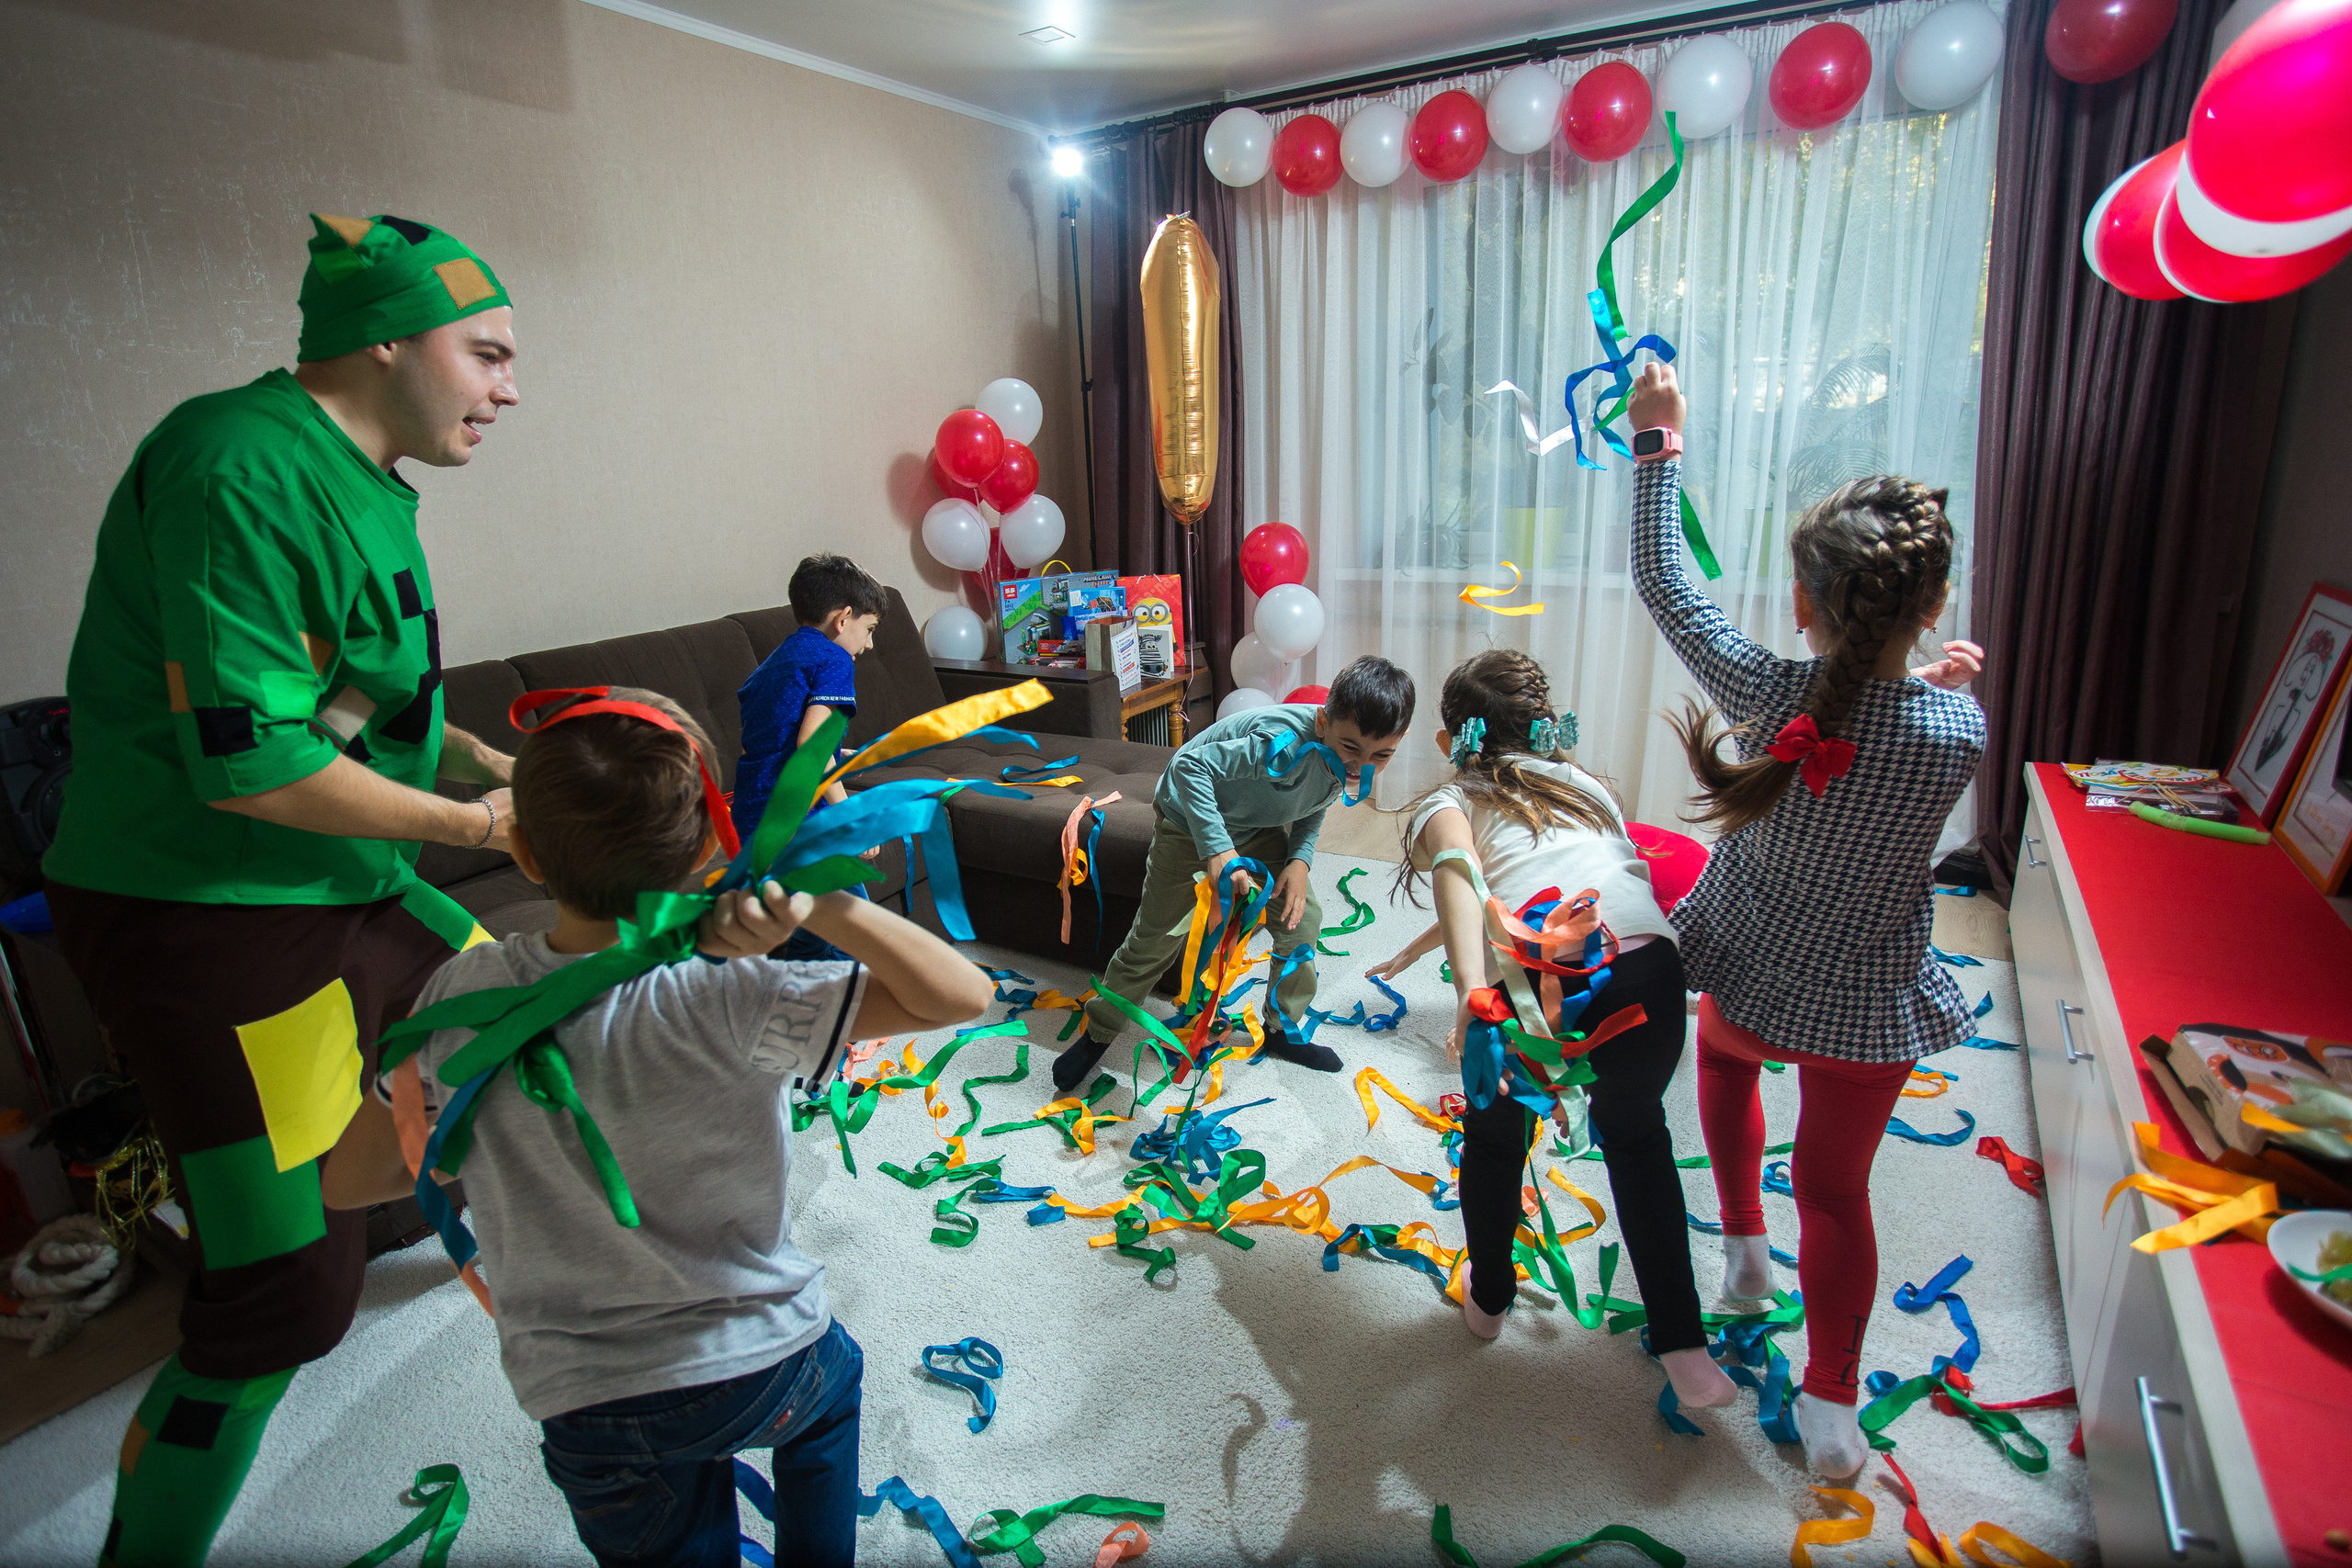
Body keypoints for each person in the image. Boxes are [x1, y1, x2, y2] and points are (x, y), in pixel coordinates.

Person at [41, 211, 525, 1567]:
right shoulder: (235, 462)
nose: (507, 387)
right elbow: (252, 764)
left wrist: (488, 752)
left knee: (510, 1001)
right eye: (484, 354)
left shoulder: (365, 470)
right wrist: (476, 815)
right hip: (219, 909)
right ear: (382, 339)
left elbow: (356, 689)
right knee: (285, 1299)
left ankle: (444, 1208)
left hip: (340, 877)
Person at [324, 687, 992, 1568]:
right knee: (832, 1387)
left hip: (587, 1401)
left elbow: (350, 1181)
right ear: (715, 847)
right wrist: (823, 904)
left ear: (522, 849)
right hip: (765, 1361)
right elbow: (965, 994)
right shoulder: (735, 995)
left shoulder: (461, 995)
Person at [1624, 361, 1985, 1479]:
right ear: (1927, 610)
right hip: (1865, 998)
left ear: (1801, 605)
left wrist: (1658, 444)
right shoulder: (1957, 731)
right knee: (1835, 1193)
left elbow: (1664, 584)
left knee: (1725, 1069)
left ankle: (1741, 1250)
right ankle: (1833, 1405)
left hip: (1756, 966)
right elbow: (1898, 708)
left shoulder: (1767, 694)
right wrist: (1939, 678)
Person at [1369, 649, 1736, 1412]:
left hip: (1544, 988)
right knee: (1638, 1143)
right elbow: (1526, 879)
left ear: (1450, 740)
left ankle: (1490, 1299)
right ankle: (1685, 1348)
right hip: (1647, 975)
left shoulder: (1448, 799)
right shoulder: (1590, 787)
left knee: (1499, 1140)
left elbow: (1464, 878)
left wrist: (1473, 988)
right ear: (1545, 728)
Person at [1052, 658, 1415, 1092]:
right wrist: (1218, 848)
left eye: (1382, 754)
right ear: (1322, 722)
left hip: (1256, 826)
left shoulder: (1354, 754)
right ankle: (1099, 1032)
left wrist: (1300, 860)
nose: (1361, 764)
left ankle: (1281, 1029)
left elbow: (1314, 800)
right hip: (1190, 822)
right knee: (1155, 939)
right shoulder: (1275, 743)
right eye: (1351, 749)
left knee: (1303, 919)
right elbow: (1189, 768)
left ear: (1399, 742)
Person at [731, 554, 887, 963]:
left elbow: (768, 741)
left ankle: (792, 993)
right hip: (799, 818)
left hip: (752, 817)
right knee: (858, 927)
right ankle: (840, 1016)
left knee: (812, 929)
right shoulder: (833, 657)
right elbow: (811, 749)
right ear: (843, 618)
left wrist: (841, 751)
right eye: (868, 630)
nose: (868, 644)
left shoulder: (770, 664)